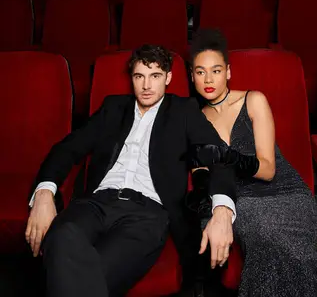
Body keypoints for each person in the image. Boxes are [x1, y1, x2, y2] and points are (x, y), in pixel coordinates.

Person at [25, 44, 236, 297]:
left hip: (146, 214)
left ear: (168, 78)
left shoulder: (184, 111)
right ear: (132, 79)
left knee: (87, 269)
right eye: (139, 76)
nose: (146, 85)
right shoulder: (113, 108)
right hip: (95, 204)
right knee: (60, 236)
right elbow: (68, 148)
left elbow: (218, 157)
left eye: (155, 76)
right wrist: (44, 192)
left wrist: (222, 209)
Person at [188, 29, 317, 297]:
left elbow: (267, 169)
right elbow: (201, 173)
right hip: (241, 199)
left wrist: (225, 157)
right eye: (200, 72)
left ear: (228, 72)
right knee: (265, 237)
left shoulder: (254, 100)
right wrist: (214, 208)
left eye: (215, 70)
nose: (208, 79)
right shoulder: (193, 120)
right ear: (192, 77)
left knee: (295, 251)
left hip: (285, 192)